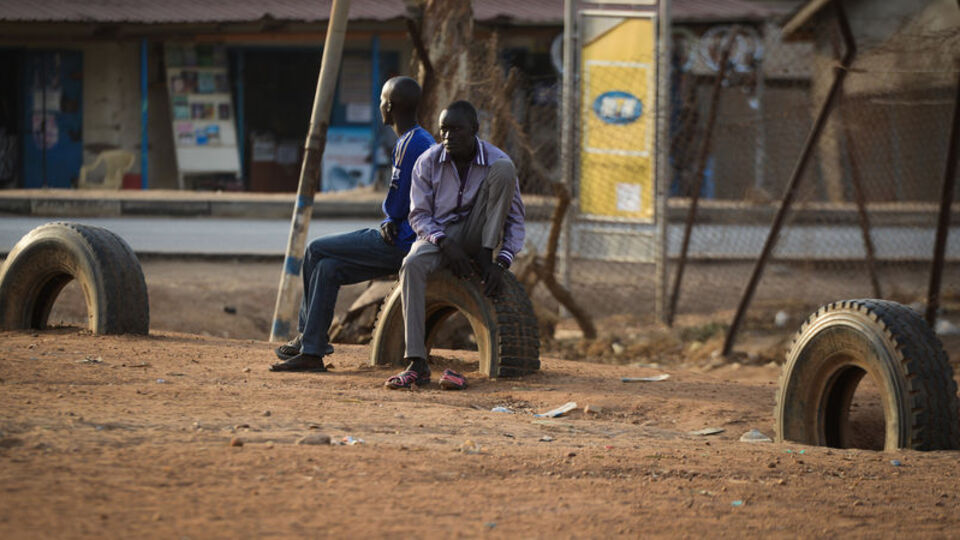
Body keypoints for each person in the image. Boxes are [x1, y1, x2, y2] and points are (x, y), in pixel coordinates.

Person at [270, 76, 434, 372]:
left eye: (382, 100)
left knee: (315, 250)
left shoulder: (409, 144)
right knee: (328, 269)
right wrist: (390, 219)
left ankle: (305, 338)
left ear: (389, 106)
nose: (379, 106)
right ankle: (312, 351)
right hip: (408, 235)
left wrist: (390, 218)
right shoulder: (423, 139)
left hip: (403, 242)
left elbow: (397, 202)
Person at [384, 100, 525, 390]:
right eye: (443, 130)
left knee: (505, 169)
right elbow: (418, 215)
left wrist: (501, 261)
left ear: (475, 129)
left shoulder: (496, 159)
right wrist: (446, 244)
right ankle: (416, 361)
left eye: (456, 130)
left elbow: (515, 221)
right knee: (411, 264)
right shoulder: (428, 161)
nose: (448, 137)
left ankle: (485, 256)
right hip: (440, 236)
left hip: (479, 236)